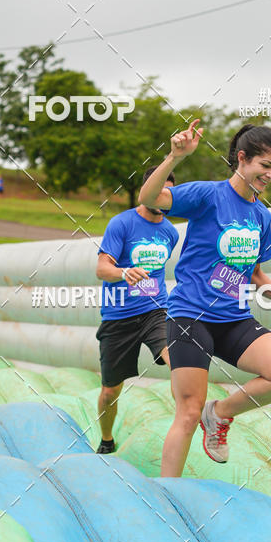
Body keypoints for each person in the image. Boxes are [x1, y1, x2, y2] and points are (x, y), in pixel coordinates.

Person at [138, 120, 271, 478]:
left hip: (233, 318)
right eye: (265, 166)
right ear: (242, 158)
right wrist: (174, 157)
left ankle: (220, 414)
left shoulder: (261, 216)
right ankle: (166, 494)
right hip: (190, 316)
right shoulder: (209, 196)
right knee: (188, 412)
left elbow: (253, 274)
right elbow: (148, 198)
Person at [94, 166, 180, 454]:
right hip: (118, 316)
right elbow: (102, 268)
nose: (162, 198)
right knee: (110, 391)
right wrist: (124, 272)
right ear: (147, 192)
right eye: (158, 191)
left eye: (167, 193)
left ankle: (188, 423)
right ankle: (107, 439)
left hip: (156, 309)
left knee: (177, 359)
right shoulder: (122, 224)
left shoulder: (170, 233)